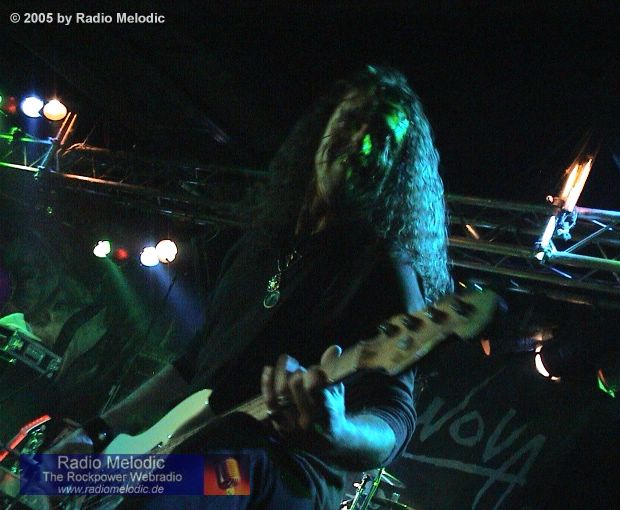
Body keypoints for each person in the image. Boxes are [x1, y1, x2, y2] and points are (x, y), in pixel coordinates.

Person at [51, 65, 453, 509]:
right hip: (188, 451)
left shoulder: (384, 271)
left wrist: (338, 432)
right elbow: (191, 366)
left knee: (195, 473)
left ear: (396, 170)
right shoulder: (258, 247)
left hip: (280, 471)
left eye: (383, 137)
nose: (361, 143)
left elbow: (395, 417)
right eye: (352, 121)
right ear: (322, 131)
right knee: (45, 475)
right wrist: (98, 431)